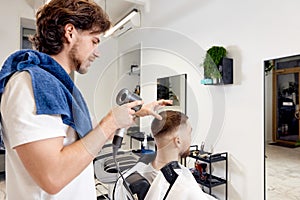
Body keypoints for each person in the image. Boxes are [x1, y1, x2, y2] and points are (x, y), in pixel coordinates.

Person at [0, 0, 171, 199]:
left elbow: (88, 141)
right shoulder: (29, 84)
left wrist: (133, 113)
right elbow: (52, 176)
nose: (97, 53)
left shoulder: (59, 87)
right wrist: (111, 122)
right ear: (70, 32)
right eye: (94, 41)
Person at [113, 110, 217, 200]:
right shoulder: (182, 187)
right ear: (178, 141)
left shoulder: (134, 173)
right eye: (189, 133)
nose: (190, 139)